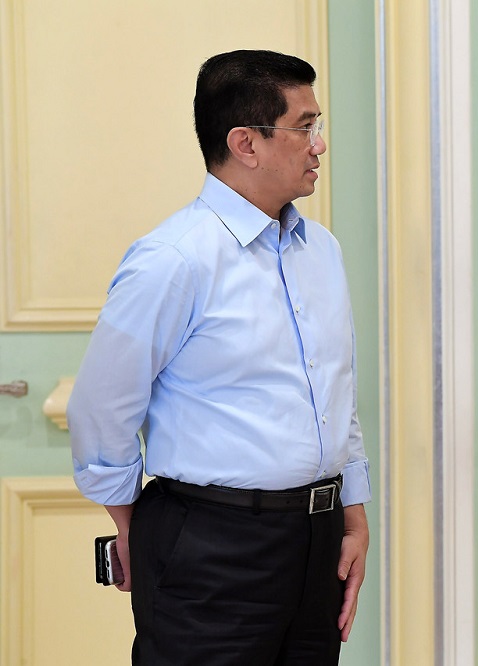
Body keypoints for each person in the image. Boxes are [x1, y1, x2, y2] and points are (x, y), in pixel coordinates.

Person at [67, 49, 370, 665]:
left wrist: (353, 516)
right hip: (209, 544)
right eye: (305, 126)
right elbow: (101, 409)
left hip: (317, 538)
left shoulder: (322, 252)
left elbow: (335, 392)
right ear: (245, 143)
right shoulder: (173, 259)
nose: (320, 144)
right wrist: (130, 524)